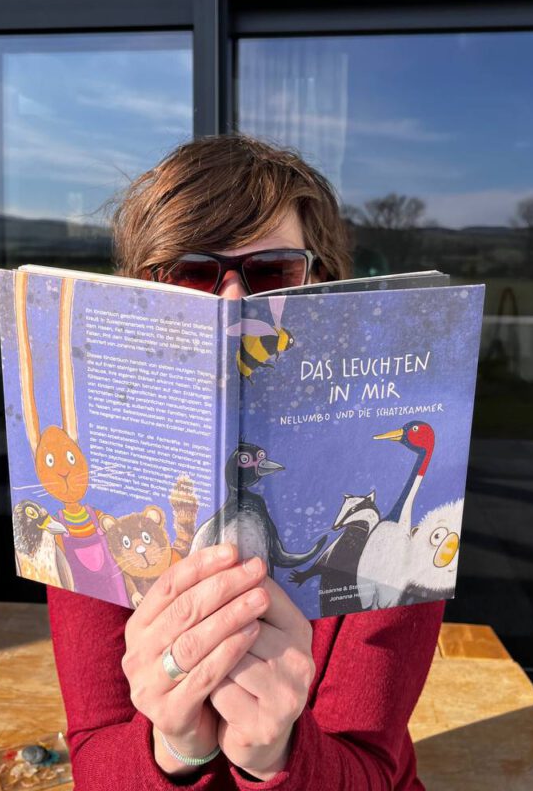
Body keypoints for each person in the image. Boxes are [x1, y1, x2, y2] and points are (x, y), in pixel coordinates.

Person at [47, 133, 444, 790]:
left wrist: (278, 759)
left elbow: (373, 767)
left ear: (324, 285)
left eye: (273, 273)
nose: (231, 303)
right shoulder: (97, 488)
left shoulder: (389, 506)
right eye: (189, 273)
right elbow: (94, 753)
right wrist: (173, 752)